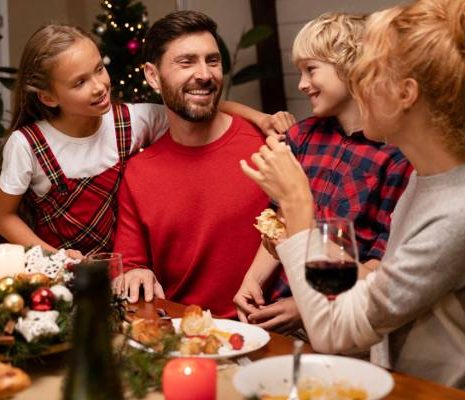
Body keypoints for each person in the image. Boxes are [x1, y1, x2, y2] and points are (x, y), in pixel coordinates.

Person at [240, 0, 465, 390]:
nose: (357, 88)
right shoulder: (431, 180)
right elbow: (378, 286)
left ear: (404, 93)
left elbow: (334, 331)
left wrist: (298, 206)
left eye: (365, 74)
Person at [0, 24, 292, 257]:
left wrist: (260, 117)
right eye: (80, 82)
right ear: (49, 97)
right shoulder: (26, 145)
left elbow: (198, 103)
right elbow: (5, 217)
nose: (99, 86)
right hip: (57, 275)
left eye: (99, 69)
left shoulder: (132, 121)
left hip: (121, 272)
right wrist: (57, 258)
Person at [233, 12, 411, 334]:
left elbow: (380, 266)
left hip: (343, 316)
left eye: (311, 70)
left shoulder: (396, 159)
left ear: (350, 66)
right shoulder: (301, 137)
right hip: (277, 307)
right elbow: (279, 221)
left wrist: (304, 306)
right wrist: (253, 279)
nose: (302, 84)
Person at [113, 10, 284, 318]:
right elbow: (131, 265)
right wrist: (136, 274)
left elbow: (310, 231)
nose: (205, 75)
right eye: (186, 62)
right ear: (153, 76)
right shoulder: (140, 173)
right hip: (184, 337)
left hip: (269, 333)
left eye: (213, 61)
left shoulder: (267, 143)